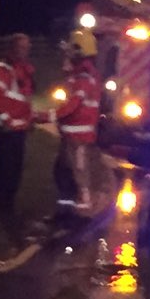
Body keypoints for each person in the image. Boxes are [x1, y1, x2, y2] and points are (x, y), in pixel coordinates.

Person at [37, 29, 101, 220]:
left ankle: (78, 213)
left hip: (77, 138)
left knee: (75, 175)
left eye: (70, 51)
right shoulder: (84, 76)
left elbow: (71, 106)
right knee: (64, 173)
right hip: (74, 137)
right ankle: (66, 211)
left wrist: (46, 116)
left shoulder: (82, 80)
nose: (67, 55)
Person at [0, 33, 35, 217]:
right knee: (5, 167)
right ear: (13, 48)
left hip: (18, 129)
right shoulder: (2, 69)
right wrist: (7, 121)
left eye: (27, 48)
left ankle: (8, 201)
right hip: (5, 129)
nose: (25, 51)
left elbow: (25, 100)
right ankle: (2, 203)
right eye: (22, 47)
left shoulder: (25, 70)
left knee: (15, 168)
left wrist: (28, 119)